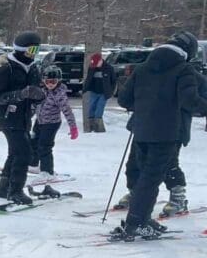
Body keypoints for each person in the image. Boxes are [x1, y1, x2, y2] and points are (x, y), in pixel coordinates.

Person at [112, 32, 207, 240]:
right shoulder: (183, 69)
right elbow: (190, 101)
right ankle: (136, 223)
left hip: (141, 131)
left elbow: (124, 99)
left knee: (143, 176)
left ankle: (141, 219)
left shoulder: (143, 67)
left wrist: (146, 105)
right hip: (166, 133)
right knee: (150, 179)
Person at [0, 30, 45, 205]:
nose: (33, 55)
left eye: (36, 51)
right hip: (8, 118)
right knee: (24, 153)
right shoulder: (8, 69)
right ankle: (15, 191)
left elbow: (38, 92)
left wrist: (38, 95)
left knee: (15, 152)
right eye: (30, 51)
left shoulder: (33, 69)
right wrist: (20, 94)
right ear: (21, 50)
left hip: (25, 118)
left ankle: (4, 187)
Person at [28, 64, 78, 194]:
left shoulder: (59, 94)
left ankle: (47, 171)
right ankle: (33, 165)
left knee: (45, 146)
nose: (50, 84)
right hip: (39, 121)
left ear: (58, 81)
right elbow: (35, 105)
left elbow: (67, 111)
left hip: (51, 124)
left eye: (53, 82)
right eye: (48, 81)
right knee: (33, 142)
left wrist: (73, 127)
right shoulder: (41, 90)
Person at [82, 52, 115, 133]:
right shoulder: (92, 68)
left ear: (101, 61)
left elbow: (113, 81)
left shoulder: (109, 68)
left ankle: (98, 126)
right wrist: (85, 88)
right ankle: (90, 125)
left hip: (104, 93)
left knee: (99, 108)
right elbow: (88, 79)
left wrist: (111, 92)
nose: (96, 66)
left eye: (97, 64)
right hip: (94, 91)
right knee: (91, 107)